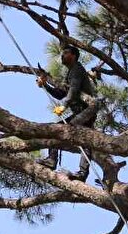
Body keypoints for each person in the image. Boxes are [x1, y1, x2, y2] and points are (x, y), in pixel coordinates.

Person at [35, 44, 100, 181]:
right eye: (62, 52)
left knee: (60, 130)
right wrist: (45, 85)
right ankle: (78, 172)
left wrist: (64, 106)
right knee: (83, 140)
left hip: (86, 110)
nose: (62, 55)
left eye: (66, 52)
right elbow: (61, 94)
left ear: (74, 56)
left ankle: (55, 161)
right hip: (80, 112)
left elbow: (73, 90)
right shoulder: (70, 72)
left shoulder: (77, 68)